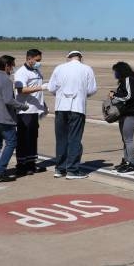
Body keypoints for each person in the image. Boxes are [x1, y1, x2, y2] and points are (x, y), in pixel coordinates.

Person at [47, 50, 97, 179]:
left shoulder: (59, 68)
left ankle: (60, 168)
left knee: (61, 139)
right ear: (80, 58)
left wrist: (60, 95)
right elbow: (92, 89)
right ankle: (72, 170)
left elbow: (51, 88)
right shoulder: (87, 69)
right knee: (74, 138)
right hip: (77, 108)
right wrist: (82, 94)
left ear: (68, 58)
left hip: (60, 107)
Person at [0, 55, 29, 182]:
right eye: (12, 66)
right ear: (6, 66)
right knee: (11, 142)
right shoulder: (6, 80)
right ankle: (1, 171)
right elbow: (9, 100)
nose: (13, 69)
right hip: (3, 119)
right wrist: (23, 106)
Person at [13, 49, 48, 175]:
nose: (39, 63)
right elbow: (21, 90)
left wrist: (43, 105)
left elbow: (37, 92)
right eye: (37, 60)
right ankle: (21, 165)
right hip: (25, 111)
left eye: (40, 60)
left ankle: (31, 164)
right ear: (29, 59)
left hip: (34, 110)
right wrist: (42, 87)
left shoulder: (36, 70)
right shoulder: (21, 72)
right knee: (24, 139)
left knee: (33, 137)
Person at [109, 62, 134, 174]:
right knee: (125, 139)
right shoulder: (124, 81)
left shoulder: (129, 79)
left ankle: (131, 165)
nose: (114, 74)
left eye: (116, 72)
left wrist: (114, 96)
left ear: (121, 71)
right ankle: (126, 161)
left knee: (128, 139)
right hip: (124, 113)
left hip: (130, 114)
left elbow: (128, 96)